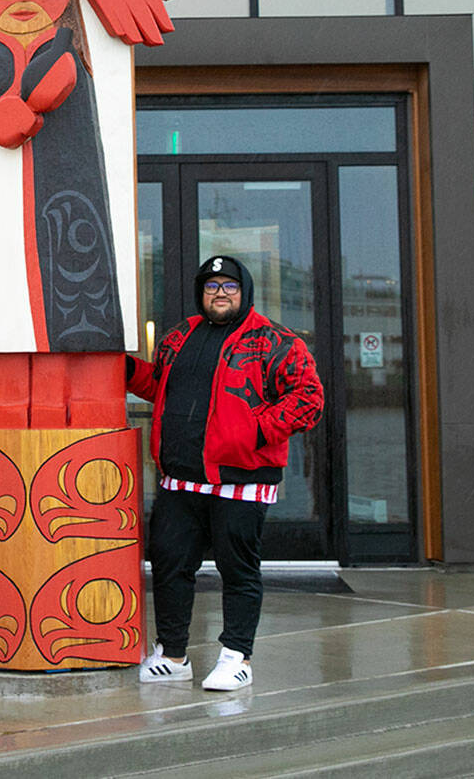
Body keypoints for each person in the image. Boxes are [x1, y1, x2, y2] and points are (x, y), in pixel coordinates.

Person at [125, 254, 325, 690]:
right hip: (180, 478)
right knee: (169, 564)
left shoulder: (276, 341)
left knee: (238, 571)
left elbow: (309, 398)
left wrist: (255, 431)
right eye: (212, 285)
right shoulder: (179, 336)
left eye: (229, 286)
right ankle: (173, 654)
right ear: (202, 292)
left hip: (243, 480)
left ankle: (237, 658)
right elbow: (160, 385)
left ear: (244, 291)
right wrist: (124, 371)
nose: (220, 292)